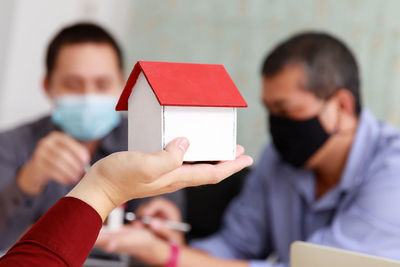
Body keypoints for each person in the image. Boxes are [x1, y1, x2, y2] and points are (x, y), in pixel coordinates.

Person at [95, 32, 400, 266]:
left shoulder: (393, 171)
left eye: (286, 109)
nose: (276, 124)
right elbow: (234, 244)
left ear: (343, 107)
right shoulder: (276, 159)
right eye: (269, 109)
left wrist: (166, 255)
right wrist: (173, 245)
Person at [0, 22, 183, 250]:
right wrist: (29, 180)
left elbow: (171, 242)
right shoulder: (10, 145)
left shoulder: (151, 144)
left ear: (123, 84)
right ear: (48, 86)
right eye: (73, 85)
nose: (89, 97)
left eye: (102, 84)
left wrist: (162, 224)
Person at [0, 138, 253, 266]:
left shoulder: (144, 142)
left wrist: (170, 248)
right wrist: (103, 188)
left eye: (101, 84)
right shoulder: (15, 144)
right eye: (74, 85)